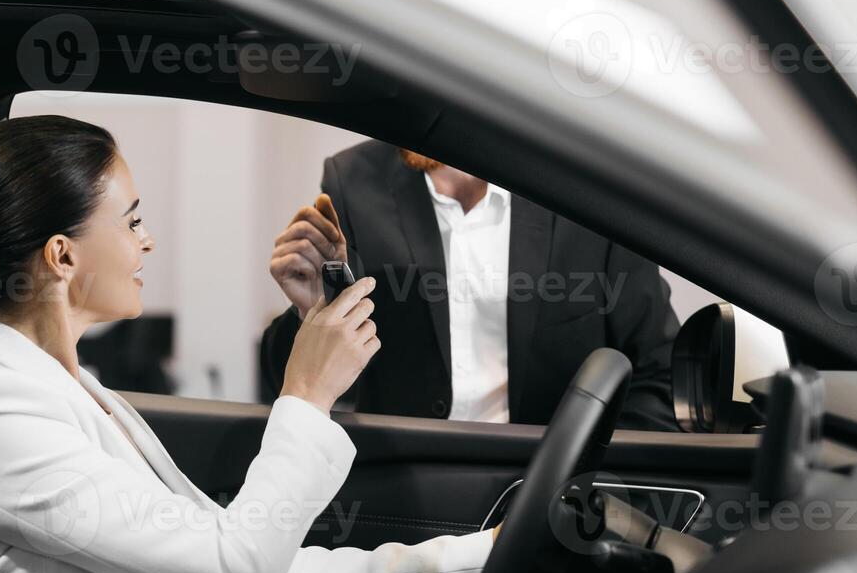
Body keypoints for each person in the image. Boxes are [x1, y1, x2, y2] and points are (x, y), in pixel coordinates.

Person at [0, 116, 496, 573]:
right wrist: (306, 397)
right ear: (63, 256)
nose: (147, 241)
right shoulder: (0, 419)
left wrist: (479, 562)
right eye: (132, 221)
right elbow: (239, 572)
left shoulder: (70, 392)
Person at [260, 142, 680, 430]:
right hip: (403, 499)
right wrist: (310, 313)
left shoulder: (589, 187)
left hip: (546, 497)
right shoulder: (353, 180)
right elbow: (297, 391)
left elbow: (660, 376)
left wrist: (595, 489)